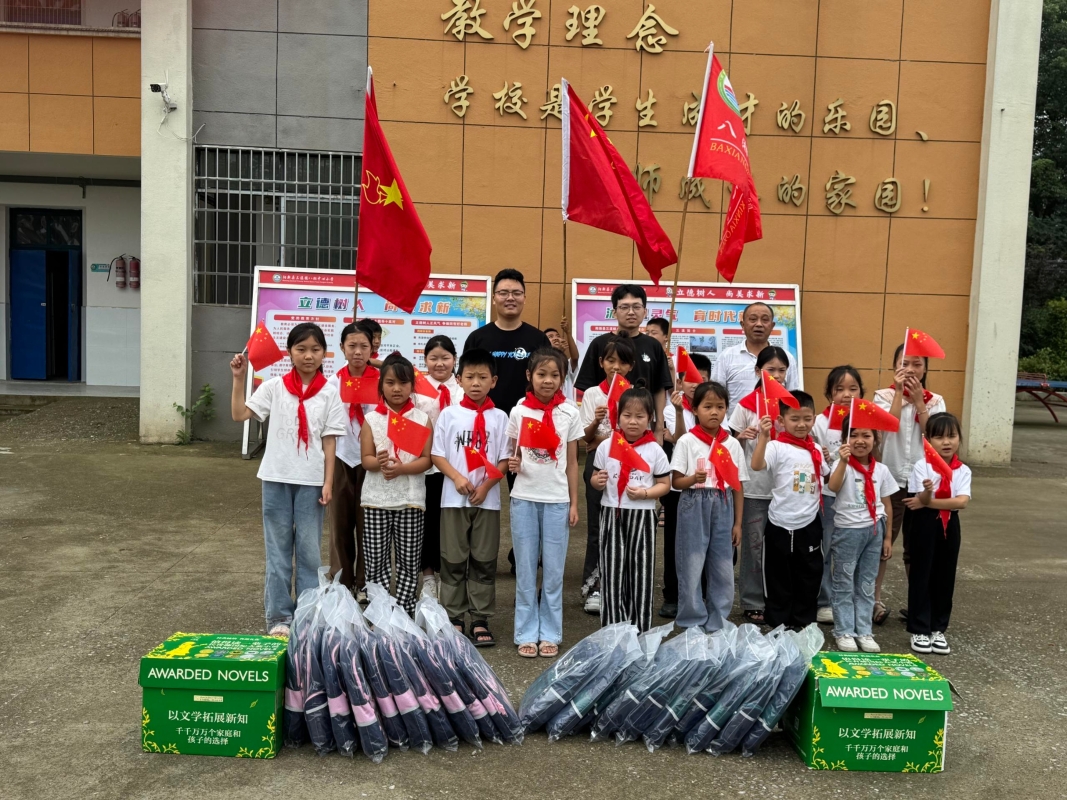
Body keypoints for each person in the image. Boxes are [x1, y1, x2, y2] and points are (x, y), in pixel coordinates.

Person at [230, 322, 346, 636]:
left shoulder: (329, 393)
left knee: (309, 553)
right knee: (278, 552)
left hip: (311, 483)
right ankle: (279, 618)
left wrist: (328, 482)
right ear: (290, 353)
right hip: (275, 478)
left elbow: (330, 442)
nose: (308, 355)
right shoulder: (274, 387)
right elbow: (239, 414)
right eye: (301, 349)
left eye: (315, 349)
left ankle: (306, 616)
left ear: (324, 353)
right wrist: (239, 378)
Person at [506, 348, 582, 659]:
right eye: (541, 374)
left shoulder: (570, 413)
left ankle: (550, 632)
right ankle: (525, 632)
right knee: (525, 570)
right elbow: (514, 454)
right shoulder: (519, 411)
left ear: (563, 379)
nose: (548, 380)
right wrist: (513, 464)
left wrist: (574, 503)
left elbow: (573, 462)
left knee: (553, 572)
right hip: (524, 498)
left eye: (555, 375)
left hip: (557, 500)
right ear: (529, 376)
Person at [430, 348, 508, 648]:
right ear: (459, 379)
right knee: (452, 558)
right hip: (454, 499)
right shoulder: (449, 415)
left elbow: (504, 459)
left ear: (494, 381)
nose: (476, 383)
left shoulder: (500, 418)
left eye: (483, 377)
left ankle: (480, 618)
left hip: (487, 501)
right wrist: (457, 477)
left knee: (484, 559)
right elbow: (437, 454)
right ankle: (454, 615)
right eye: (470, 377)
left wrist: (486, 486)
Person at [872, 344, 946, 624]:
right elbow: (885, 427)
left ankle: (918, 604)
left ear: (925, 369)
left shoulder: (935, 401)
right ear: (895, 367)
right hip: (889, 480)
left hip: (921, 482)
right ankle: (874, 601)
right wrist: (900, 394)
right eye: (904, 363)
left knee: (918, 547)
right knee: (881, 543)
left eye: (917, 364)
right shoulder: (882, 396)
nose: (911, 369)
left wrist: (919, 403)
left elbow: (935, 436)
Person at [589, 388, 671, 632]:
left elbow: (665, 484)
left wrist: (646, 493)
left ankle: (640, 629)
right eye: (627, 415)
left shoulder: (654, 450)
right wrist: (597, 481)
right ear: (618, 417)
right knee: (612, 570)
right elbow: (594, 477)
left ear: (650, 419)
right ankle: (613, 629)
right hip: (612, 513)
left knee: (641, 570)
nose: (633, 421)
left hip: (642, 515)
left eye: (640, 416)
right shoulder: (606, 446)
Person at [670, 381, 747, 632]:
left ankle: (718, 620)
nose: (714, 412)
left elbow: (738, 486)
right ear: (694, 409)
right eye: (708, 406)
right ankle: (691, 620)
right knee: (691, 564)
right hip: (694, 502)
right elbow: (676, 482)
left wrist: (738, 523)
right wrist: (693, 478)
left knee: (723, 565)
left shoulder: (731, 444)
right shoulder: (687, 441)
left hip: (723, 503)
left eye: (720, 407)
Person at [359, 353, 433, 616]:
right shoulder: (372, 419)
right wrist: (378, 462)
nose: (397, 388)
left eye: (403, 383)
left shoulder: (422, 419)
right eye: (390, 382)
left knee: (409, 561)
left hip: (411, 500)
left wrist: (401, 469)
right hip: (376, 500)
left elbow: (426, 460)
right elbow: (366, 460)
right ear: (381, 385)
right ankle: (379, 610)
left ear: (412, 385)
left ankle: (405, 610)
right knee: (375, 559)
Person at [750, 390, 829, 630]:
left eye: (807, 418)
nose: (801, 424)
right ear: (781, 420)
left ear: (814, 418)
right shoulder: (776, 446)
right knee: (777, 577)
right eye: (794, 419)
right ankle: (778, 624)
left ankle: (803, 623)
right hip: (779, 523)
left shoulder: (815, 449)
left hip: (809, 523)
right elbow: (756, 465)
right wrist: (763, 437)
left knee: (809, 575)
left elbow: (825, 475)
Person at [726, 345, 790, 625]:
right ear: (757, 371)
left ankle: (777, 598)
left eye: (781, 370)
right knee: (754, 548)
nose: (777, 375)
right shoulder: (745, 406)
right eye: (770, 370)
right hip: (753, 489)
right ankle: (752, 601)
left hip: (784, 490)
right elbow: (728, 446)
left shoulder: (790, 405)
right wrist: (740, 437)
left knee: (780, 549)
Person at [578, 335, 637, 615]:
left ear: (631, 366)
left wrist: (603, 439)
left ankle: (621, 586)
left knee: (625, 525)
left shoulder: (635, 395)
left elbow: (638, 436)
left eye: (622, 362)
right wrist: (596, 421)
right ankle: (594, 587)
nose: (616, 367)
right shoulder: (593, 394)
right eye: (610, 360)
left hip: (629, 465)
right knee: (597, 527)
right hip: (598, 465)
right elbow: (585, 439)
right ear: (601, 362)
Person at [902, 413, 970, 656]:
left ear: (959, 438)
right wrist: (927, 495)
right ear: (928, 440)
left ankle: (938, 629)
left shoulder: (963, 470)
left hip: (950, 525)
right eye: (939, 437)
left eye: (952, 436)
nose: (946, 442)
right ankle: (920, 628)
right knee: (922, 573)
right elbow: (917, 499)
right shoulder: (923, 466)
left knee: (945, 575)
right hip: (924, 524)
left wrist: (927, 502)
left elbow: (961, 502)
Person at [826, 421, 895, 653]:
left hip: (874, 529)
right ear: (845, 440)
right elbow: (833, 486)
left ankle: (864, 631)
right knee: (844, 581)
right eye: (853, 435)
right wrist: (843, 461)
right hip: (848, 530)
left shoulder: (881, 470)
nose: (860, 441)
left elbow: (887, 504)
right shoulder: (841, 465)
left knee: (866, 582)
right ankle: (844, 630)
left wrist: (887, 537)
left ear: (876, 439)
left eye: (866, 435)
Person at [575, 284, 673, 444]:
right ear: (614, 312)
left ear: (645, 311)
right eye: (624, 307)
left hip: (642, 432)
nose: (631, 312)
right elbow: (589, 390)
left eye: (636, 307)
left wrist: (658, 429)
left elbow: (659, 388)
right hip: (605, 437)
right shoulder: (599, 344)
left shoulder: (653, 345)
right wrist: (594, 436)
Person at [327, 322, 379, 599]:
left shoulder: (383, 381)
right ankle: (341, 581)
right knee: (340, 521)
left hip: (372, 459)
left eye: (364, 346)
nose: (358, 352)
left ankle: (365, 582)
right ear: (342, 348)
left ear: (373, 348)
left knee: (369, 522)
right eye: (352, 346)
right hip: (340, 456)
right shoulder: (332, 383)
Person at [811, 365, 865, 626]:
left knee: (852, 551)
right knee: (826, 548)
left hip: (857, 497)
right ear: (830, 393)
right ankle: (824, 601)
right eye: (839, 389)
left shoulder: (865, 420)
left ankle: (850, 600)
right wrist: (821, 454)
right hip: (828, 495)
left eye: (853, 388)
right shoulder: (819, 422)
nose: (846, 394)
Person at [661, 350, 712, 619]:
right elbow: (681, 439)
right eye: (691, 378)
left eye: (702, 378)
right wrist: (681, 413)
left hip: (708, 485)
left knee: (704, 543)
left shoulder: (714, 407)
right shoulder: (671, 408)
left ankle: (700, 594)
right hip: (679, 486)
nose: (696, 384)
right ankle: (672, 594)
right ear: (679, 382)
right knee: (675, 542)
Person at [463, 269, 552, 416]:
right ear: (494, 298)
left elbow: (548, 378)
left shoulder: (539, 339)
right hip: (484, 416)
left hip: (529, 416)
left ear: (524, 298)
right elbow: (466, 378)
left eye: (516, 293)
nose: (510, 298)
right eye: (503, 293)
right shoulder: (477, 338)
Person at [415, 335, 464, 600]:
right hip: (426, 468)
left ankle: (450, 575)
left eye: (445, 358)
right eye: (433, 358)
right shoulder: (416, 390)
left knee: (451, 525)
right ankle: (428, 577)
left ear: (454, 359)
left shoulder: (463, 390)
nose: (440, 363)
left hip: (455, 469)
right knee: (427, 524)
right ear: (425, 360)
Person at [710, 302, 800, 417]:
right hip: (736, 426)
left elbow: (793, 397)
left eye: (765, 320)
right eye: (753, 319)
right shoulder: (727, 356)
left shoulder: (787, 358)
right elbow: (715, 395)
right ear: (743, 324)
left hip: (775, 425)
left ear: (772, 326)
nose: (759, 324)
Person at [545, 318, 580, 401]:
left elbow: (575, 357)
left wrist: (568, 332)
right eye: (550, 337)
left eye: (558, 336)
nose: (556, 338)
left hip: (567, 406)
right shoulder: (541, 364)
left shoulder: (567, 363)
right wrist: (559, 352)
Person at [645, 316, 677, 388]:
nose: (649, 336)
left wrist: (671, 369)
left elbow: (677, 389)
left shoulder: (675, 360)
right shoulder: (643, 357)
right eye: (647, 333)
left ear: (666, 337)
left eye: (654, 333)